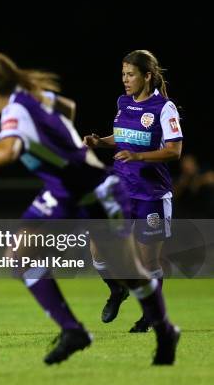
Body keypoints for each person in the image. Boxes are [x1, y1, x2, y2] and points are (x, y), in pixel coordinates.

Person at [0, 52, 180, 365]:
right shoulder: (39, 96)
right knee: (20, 254)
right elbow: (69, 108)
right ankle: (74, 331)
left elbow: (8, 150)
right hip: (67, 188)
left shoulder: (15, 109)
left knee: (130, 271)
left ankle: (162, 330)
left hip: (91, 189)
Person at [83, 50, 183, 332]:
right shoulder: (123, 102)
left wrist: (139, 157)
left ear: (147, 76)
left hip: (151, 195)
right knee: (97, 247)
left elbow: (174, 151)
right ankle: (116, 290)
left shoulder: (165, 108)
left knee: (147, 262)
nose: (125, 80)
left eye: (131, 74)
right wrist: (100, 142)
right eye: (123, 75)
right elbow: (123, 136)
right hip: (121, 190)